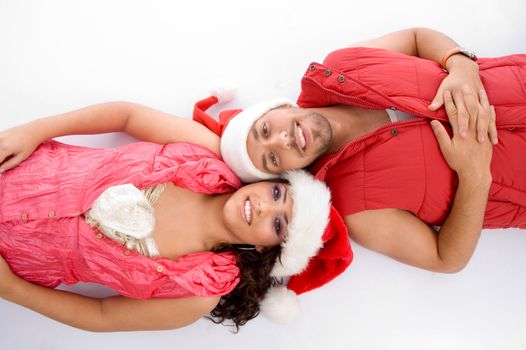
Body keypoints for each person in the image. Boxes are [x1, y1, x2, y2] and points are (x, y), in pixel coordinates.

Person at [191, 27, 526, 273]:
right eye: (273, 158)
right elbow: (446, 258)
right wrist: (475, 176)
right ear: (287, 174)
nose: (282, 139)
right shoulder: (358, 210)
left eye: (265, 129)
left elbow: (416, 38)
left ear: (274, 108)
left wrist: (461, 63)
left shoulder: (341, 66)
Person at [0, 113, 353, 331]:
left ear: (265, 248)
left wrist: (15, 291)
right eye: (277, 195)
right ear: (269, 180)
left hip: (10, 260)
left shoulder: (198, 294)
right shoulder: (203, 152)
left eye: (278, 226)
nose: (264, 208)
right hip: (13, 166)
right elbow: (126, 116)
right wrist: (34, 130)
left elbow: (103, 316)